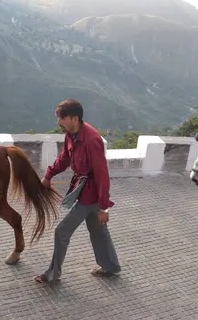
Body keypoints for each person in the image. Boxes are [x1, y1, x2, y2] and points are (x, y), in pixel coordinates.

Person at [34, 99, 121, 284]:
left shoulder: (91, 140)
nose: (59, 123)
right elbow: (64, 158)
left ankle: (53, 274)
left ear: (74, 118)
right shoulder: (72, 134)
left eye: (62, 118)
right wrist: (49, 175)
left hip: (90, 196)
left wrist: (104, 208)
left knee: (61, 232)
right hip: (84, 191)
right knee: (98, 231)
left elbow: (102, 174)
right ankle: (111, 267)